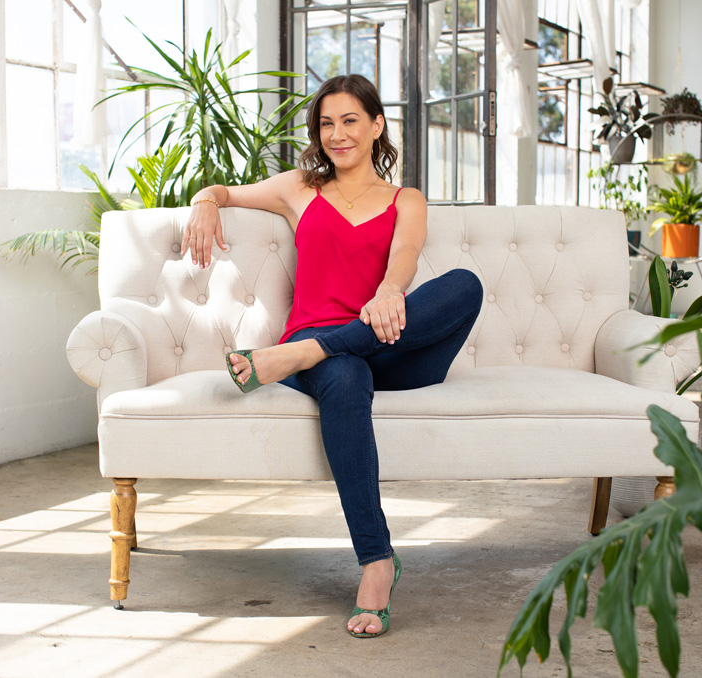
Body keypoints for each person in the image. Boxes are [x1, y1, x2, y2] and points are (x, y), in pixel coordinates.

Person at [182, 74, 483, 638]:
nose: (337, 134)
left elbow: (407, 254)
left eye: (350, 121)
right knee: (343, 373)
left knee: (465, 284)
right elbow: (224, 193)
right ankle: (376, 562)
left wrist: (391, 290)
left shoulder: (405, 200)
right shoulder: (300, 188)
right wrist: (203, 202)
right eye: (326, 123)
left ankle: (301, 353)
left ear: (376, 126)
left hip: (386, 341)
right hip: (331, 364)